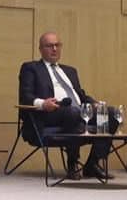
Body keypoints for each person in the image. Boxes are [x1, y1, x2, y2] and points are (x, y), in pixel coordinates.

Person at [18, 32, 120, 180]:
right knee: (72, 112)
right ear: (40, 49)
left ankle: (92, 164)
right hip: (49, 113)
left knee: (110, 113)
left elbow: (81, 96)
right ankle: (72, 163)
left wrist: (94, 103)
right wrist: (43, 104)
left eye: (57, 45)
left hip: (77, 112)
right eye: (49, 46)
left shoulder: (70, 71)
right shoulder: (31, 68)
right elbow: (25, 97)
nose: (54, 49)